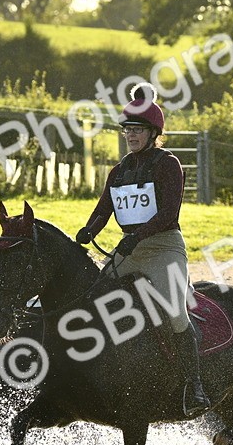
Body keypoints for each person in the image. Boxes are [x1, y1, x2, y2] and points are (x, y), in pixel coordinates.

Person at [75, 85, 211, 416]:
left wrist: (137, 237)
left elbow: (168, 214)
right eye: (127, 130)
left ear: (152, 133)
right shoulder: (120, 170)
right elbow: (103, 209)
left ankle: (194, 388)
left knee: (176, 313)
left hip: (163, 247)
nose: (130, 136)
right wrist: (87, 230)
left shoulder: (168, 164)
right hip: (129, 248)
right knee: (90, 295)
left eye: (136, 130)